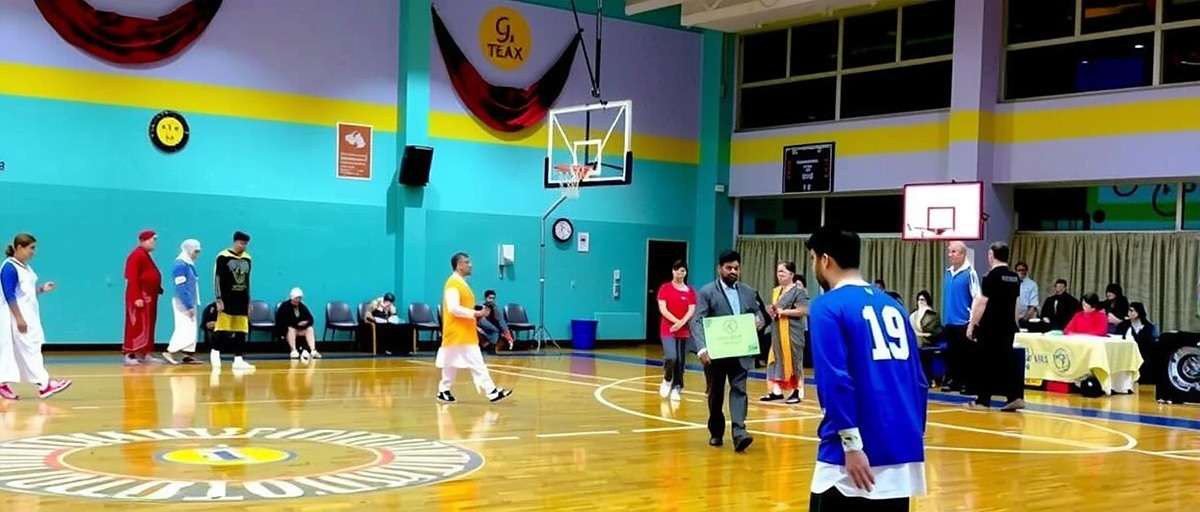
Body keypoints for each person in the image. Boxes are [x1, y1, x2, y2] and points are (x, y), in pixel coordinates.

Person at [806, 226, 926, 511]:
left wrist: (850, 444)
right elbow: (919, 381)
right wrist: (911, 433)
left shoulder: (827, 306)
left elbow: (835, 380)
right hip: (902, 450)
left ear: (825, 260)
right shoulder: (894, 306)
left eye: (812, 259)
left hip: (850, 460)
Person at [690, 250, 761, 453]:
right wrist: (702, 347)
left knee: (740, 391)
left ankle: (740, 433)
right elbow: (697, 320)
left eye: (736, 268)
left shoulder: (748, 291)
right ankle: (716, 431)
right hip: (715, 354)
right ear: (719, 268)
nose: (733, 271)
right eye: (729, 268)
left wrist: (759, 320)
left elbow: (758, 314)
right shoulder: (707, 292)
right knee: (716, 394)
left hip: (740, 352)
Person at [0, 234, 72, 400]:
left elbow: (25, 293)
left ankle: (2, 383)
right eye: (31, 248)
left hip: (29, 313)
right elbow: (9, 294)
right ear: (19, 247)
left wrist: (41, 289)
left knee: (22, 350)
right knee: (30, 348)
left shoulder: (25, 267)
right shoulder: (9, 267)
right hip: (16, 315)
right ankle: (44, 384)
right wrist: (18, 318)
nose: (34, 252)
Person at [436, 252, 512, 403]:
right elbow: (453, 308)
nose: (470, 265)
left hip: (463, 332)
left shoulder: (461, 283)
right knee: (477, 363)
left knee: (450, 363)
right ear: (459, 266)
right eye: (466, 262)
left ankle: (443, 390)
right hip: (458, 332)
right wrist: (477, 313)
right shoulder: (453, 284)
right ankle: (491, 392)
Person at [966, 242, 1025, 412]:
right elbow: (1016, 304)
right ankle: (1014, 397)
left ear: (992, 255)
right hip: (1008, 327)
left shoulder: (990, 277)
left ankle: (983, 400)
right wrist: (1015, 324)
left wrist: (972, 324)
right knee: (1006, 362)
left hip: (990, 327)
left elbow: (982, 303)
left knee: (985, 362)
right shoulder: (1014, 278)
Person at [762, 261, 809, 404]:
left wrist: (784, 312)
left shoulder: (799, 291)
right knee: (775, 359)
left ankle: (797, 391)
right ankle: (776, 391)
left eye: (782, 271)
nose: (779, 274)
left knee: (795, 360)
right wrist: (771, 310)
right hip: (777, 331)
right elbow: (776, 309)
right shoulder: (776, 291)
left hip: (792, 332)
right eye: (778, 271)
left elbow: (803, 310)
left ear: (791, 274)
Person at [212, 231, 255, 371]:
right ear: (235, 242)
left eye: (246, 244)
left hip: (242, 299)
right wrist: (218, 299)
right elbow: (217, 279)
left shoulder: (247, 258)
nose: (244, 246)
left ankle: (238, 359)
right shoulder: (223, 256)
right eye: (242, 243)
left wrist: (249, 301)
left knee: (241, 330)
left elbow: (248, 281)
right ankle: (215, 352)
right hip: (227, 298)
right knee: (223, 328)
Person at [942, 241, 980, 393]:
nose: (950, 255)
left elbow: (977, 297)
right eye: (949, 251)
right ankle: (954, 381)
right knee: (951, 354)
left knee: (965, 355)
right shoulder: (948, 272)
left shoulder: (970, 273)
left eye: (954, 252)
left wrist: (972, 322)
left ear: (963, 254)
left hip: (963, 321)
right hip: (949, 321)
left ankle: (966, 383)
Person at [657, 260, 696, 402]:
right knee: (671, 357)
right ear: (673, 271)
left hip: (683, 330)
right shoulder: (665, 288)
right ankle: (667, 379)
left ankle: (677, 387)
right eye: (677, 270)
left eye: (683, 271)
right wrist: (675, 322)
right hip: (668, 329)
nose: (680, 273)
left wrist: (681, 323)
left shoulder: (690, 291)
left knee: (680, 361)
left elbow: (691, 310)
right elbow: (663, 308)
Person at [123, 230, 162, 365]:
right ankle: (130, 354)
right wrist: (136, 297)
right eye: (152, 240)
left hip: (149, 297)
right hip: (140, 297)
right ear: (143, 240)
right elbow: (132, 278)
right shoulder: (136, 255)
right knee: (136, 324)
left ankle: (145, 353)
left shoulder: (145, 255)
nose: (154, 243)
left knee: (148, 325)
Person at [163, 239, 202, 365]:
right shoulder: (180, 265)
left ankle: (187, 355)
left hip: (190, 300)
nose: (197, 254)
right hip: (183, 301)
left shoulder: (188, 263)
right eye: (196, 251)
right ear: (189, 249)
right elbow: (180, 286)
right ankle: (170, 351)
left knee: (191, 328)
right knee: (184, 328)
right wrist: (188, 305)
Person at [910, 291, 943, 387]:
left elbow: (932, 331)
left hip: (928, 341)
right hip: (916, 339)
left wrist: (921, 333)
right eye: (919, 300)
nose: (920, 302)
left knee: (920, 348)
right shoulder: (914, 314)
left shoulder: (932, 315)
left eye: (923, 300)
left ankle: (927, 378)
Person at [276, 287, 320, 360]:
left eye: (299, 298)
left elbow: (310, 319)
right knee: (291, 329)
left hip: (300, 329)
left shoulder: (302, 306)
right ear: (292, 297)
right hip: (287, 331)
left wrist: (306, 323)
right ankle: (293, 350)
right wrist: (298, 324)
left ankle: (313, 350)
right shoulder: (284, 306)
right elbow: (284, 322)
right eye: (296, 298)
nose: (298, 300)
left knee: (310, 329)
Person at [1120, 302, 1157, 385]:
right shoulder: (1124, 325)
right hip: (1127, 355)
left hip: (1144, 357)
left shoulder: (1149, 327)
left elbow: (1151, 345)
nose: (1129, 313)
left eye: (1132, 311)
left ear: (1138, 312)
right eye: (1128, 311)